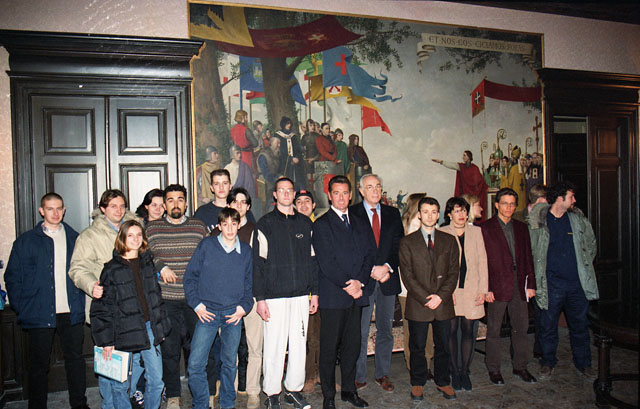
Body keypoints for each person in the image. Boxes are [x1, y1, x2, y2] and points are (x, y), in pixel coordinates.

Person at [5, 193, 88, 409]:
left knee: (75, 361)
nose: (55, 213)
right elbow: (12, 276)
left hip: (71, 311)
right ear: (41, 211)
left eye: (59, 208)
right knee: (38, 366)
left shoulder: (75, 238)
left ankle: (79, 404)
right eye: (50, 209)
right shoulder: (26, 241)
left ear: (64, 209)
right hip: (39, 312)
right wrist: (22, 307)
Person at [145, 184, 212, 409]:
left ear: (186, 203)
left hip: (195, 300)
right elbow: (143, 253)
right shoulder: (152, 229)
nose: (176, 204)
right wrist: (160, 266)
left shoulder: (198, 227)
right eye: (171, 200)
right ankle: (173, 395)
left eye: (180, 199)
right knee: (170, 350)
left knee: (199, 350)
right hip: (166, 299)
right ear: (164, 204)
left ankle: (202, 394)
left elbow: (209, 256)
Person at [253, 177, 318, 409]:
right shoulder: (265, 224)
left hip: (300, 295)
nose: (286, 194)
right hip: (274, 296)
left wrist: (315, 293)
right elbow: (257, 264)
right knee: (274, 347)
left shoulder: (305, 224)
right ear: (275, 195)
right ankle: (272, 394)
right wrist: (260, 299)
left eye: (289, 190)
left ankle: (293, 390)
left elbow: (313, 261)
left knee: (299, 345)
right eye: (281, 190)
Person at [90, 220, 170, 409]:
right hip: (122, 331)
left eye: (139, 235)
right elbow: (102, 307)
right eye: (130, 235)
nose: (135, 239)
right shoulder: (112, 268)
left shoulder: (147, 264)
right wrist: (106, 341)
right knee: (120, 385)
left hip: (149, 328)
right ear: (122, 238)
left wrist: (162, 328)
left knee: (157, 380)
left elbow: (156, 298)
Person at [312, 175, 375, 409]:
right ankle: (328, 396)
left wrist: (361, 282)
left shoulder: (360, 222)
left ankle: (349, 391)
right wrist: (350, 285)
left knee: (352, 347)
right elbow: (326, 262)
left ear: (350, 196)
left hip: (357, 296)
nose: (341, 197)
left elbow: (370, 254)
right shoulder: (321, 224)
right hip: (334, 296)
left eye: (345, 193)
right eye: (336, 193)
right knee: (329, 349)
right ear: (329, 196)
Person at [528, 182, 599, 380]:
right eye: (571, 197)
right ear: (560, 199)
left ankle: (584, 363)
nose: (574, 200)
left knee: (580, 326)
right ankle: (547, 362)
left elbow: (591, 245)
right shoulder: (539, 221)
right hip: (551, 284)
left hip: (576, 285)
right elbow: (532, 250)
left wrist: (583, 266)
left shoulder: (577, 220)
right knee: (548, 326)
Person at [184, 208, 253, 409]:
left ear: (239, 225)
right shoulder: (207, 245)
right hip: (208, 313)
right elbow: (190, 278)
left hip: (233, 314)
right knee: (195, 364)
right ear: (219, 226)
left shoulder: (246, 251)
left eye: (234, 224)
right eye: (225, 224)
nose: (230, 229)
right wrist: (197, 305)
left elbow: (249, 284)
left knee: (230, 363)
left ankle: (227, 403)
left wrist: (243, 308)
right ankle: (201, 404)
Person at [399, 197, 459, 401]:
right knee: (417, 346)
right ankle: (417, 382)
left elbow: (454, 272)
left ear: (438, 214)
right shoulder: (407, 242)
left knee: (443, 346)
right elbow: (408, 276)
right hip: (419, 303)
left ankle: (443, 381)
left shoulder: (449, 240)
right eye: (425, 211)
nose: (430, 216)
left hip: (443, 303)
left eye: (434, 212)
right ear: (419, 214)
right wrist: (426, 298)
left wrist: (440, 296)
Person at [351, 174, 404, 393]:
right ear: (361, 190)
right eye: (370, 187)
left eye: (378, 186)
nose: (375, 191)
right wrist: (369, 270)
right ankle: (359, 376)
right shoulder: (352, 213)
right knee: (360, 331)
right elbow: (350, 248)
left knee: (385, 330)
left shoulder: (393, 213)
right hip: (364, 282)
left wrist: (387, 268)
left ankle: (382, 374)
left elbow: (400, 245)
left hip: (387, 280)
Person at [481, 188, 537, 385]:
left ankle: (520, 366)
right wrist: (486, 287)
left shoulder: (521, 228)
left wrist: (531, 284)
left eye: (512, 204)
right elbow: (481, 261)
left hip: (519, 282)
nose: (508, 207)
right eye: (504, 203)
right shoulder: (485, 228)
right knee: (494, 329)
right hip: (495, 283)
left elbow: (528, 257)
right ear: (496, 205)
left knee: (521, 327)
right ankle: (494, 369)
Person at [210, 187, 257, 405]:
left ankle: (252, 390)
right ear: (228, 205)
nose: (239, 205)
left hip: (252, 296)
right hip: (225, 299)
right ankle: (230, 387)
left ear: (248, 206)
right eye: (234, 201)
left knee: (254, 346)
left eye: (243, 201)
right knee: (228, 349)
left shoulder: (257, 230)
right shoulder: (216, 233)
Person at [438, 197, 489, 391]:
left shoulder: (476, 232)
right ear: (449, 214)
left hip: (472, 289)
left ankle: (464, 371)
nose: (461, 215)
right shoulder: (442, 232)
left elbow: (483, 261)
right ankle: (454, 370)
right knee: (451, 331)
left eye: (464, 211)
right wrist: (445, 291)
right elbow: (439, 266)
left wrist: (483, 289)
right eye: (457, 211)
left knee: (468, 330)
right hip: (451, 291)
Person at [398, 193, 434, 377]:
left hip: (425, 288)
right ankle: (417, 365)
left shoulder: (428, 226)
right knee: (415, 330)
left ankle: (423, 364)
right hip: (410, 288)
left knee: (424, 329)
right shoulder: (411, 226)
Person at [432, 150, 489, 221]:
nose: (463, 157)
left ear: (469, 157)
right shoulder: (462, 167)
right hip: (465, 194)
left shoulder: (475, 168)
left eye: (465, 155)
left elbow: (480, 181)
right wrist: (441, 162)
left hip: (474, 195)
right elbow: (452, 165)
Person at [275, 116, 306, 189]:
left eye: (290, 123)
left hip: (295, 164)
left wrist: (297, 158)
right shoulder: (278, 135)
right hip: (283, 163)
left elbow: (297, 150)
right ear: (283, 124)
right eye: (287, 123)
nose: (289, 125)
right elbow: (280, 151)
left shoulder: (293, 136)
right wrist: (290, 159)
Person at [230, 110, 258, 174]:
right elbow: (255, 144)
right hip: (247, 156)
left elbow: (232, 143)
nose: (247, 119)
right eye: (246, 117)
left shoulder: (232, 130)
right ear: (242, 118)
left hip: (237, 155)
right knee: (249, 174)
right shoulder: (246, 130)